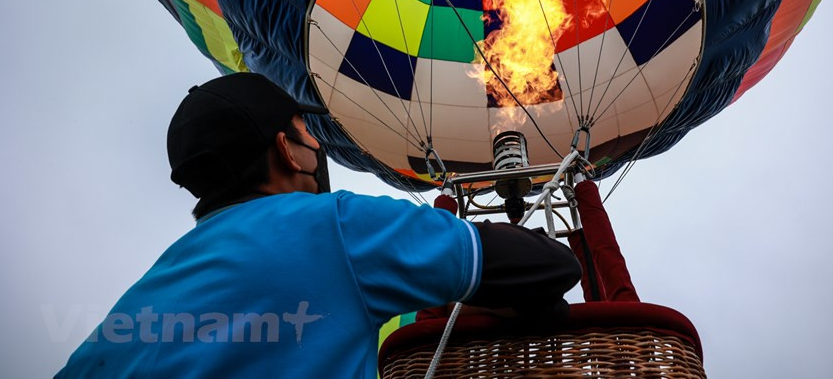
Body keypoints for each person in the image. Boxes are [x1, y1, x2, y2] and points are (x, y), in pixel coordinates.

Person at [57, 73, 581, 377]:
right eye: (305, 129)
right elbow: (547, 264)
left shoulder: (145, 293)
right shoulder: (334, 227)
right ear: (286, 150)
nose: (316, 144)